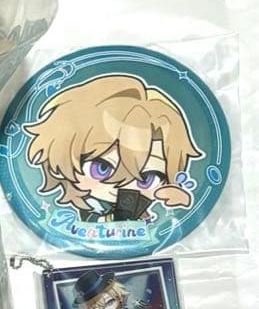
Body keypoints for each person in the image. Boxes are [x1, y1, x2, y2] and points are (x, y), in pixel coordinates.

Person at [23, 74, 203, 223]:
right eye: (102, 168)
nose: (121, 186)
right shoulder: (89, 204)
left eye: (145, 178)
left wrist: (181, 200)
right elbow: (91, 224)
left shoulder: (139, 204)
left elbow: (154, 225)